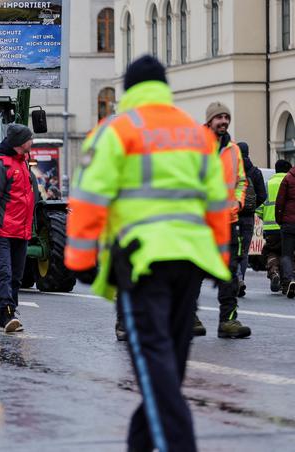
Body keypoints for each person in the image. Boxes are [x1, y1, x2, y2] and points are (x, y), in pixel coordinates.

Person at [65, 55, 230, 452]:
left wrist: (81, 261)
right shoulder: (195, 134)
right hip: (191, 262)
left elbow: (89, 199)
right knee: (166, 373)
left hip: (143, 264)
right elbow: (217, 204)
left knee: (155, 369)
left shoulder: (116, 130)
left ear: (129, 90)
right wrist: (219, 261)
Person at [199, 102, 251, 338]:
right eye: (219, 117)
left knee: (229, 272)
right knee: (193, 271)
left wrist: (238, 202)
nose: (224, 121)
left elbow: (241, 181)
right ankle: (188, 317)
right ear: (209, 121)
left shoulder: (233, 150)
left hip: (228, 222)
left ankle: (228, 321)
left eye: (226, 117)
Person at [0, 123, 34, 333]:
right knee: (4, 273)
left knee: (16, 276)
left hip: (21, 231)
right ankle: (8, 314)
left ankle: (5, 316)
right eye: (30, 138)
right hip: (3, 231)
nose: (33, 141)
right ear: (20, 143)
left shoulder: (22, 162)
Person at [236, 142, 266, 297]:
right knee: (244, 251)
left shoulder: (232, 170)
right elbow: (263, 196)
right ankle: (241, 278)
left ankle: (236, 278)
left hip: (233, 216)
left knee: (233, 248)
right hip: (248, 217)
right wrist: (252, 206)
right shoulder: (256, 172)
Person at [257, 160, 292, 292]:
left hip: (270, 229)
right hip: (288, 225)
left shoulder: (268, 184)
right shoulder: (291, 182)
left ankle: (274, 273)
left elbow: (259, 208)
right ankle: (287, 282)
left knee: (271, 252)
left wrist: (265, 217)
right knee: (288, 253)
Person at [275, 160, 295, 298]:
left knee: (287, 254)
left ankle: (288, 281)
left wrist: (279, 219)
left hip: (288, 223)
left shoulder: (287, 178)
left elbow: (280, 201)